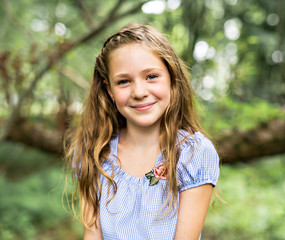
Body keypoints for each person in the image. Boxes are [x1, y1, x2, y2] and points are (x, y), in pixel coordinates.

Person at [64, 23, 220, 240]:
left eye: (151, 76)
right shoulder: (95, 154)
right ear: (109, 90)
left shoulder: (192, 154)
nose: (139, 92)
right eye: (124, 81)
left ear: (172, 79)